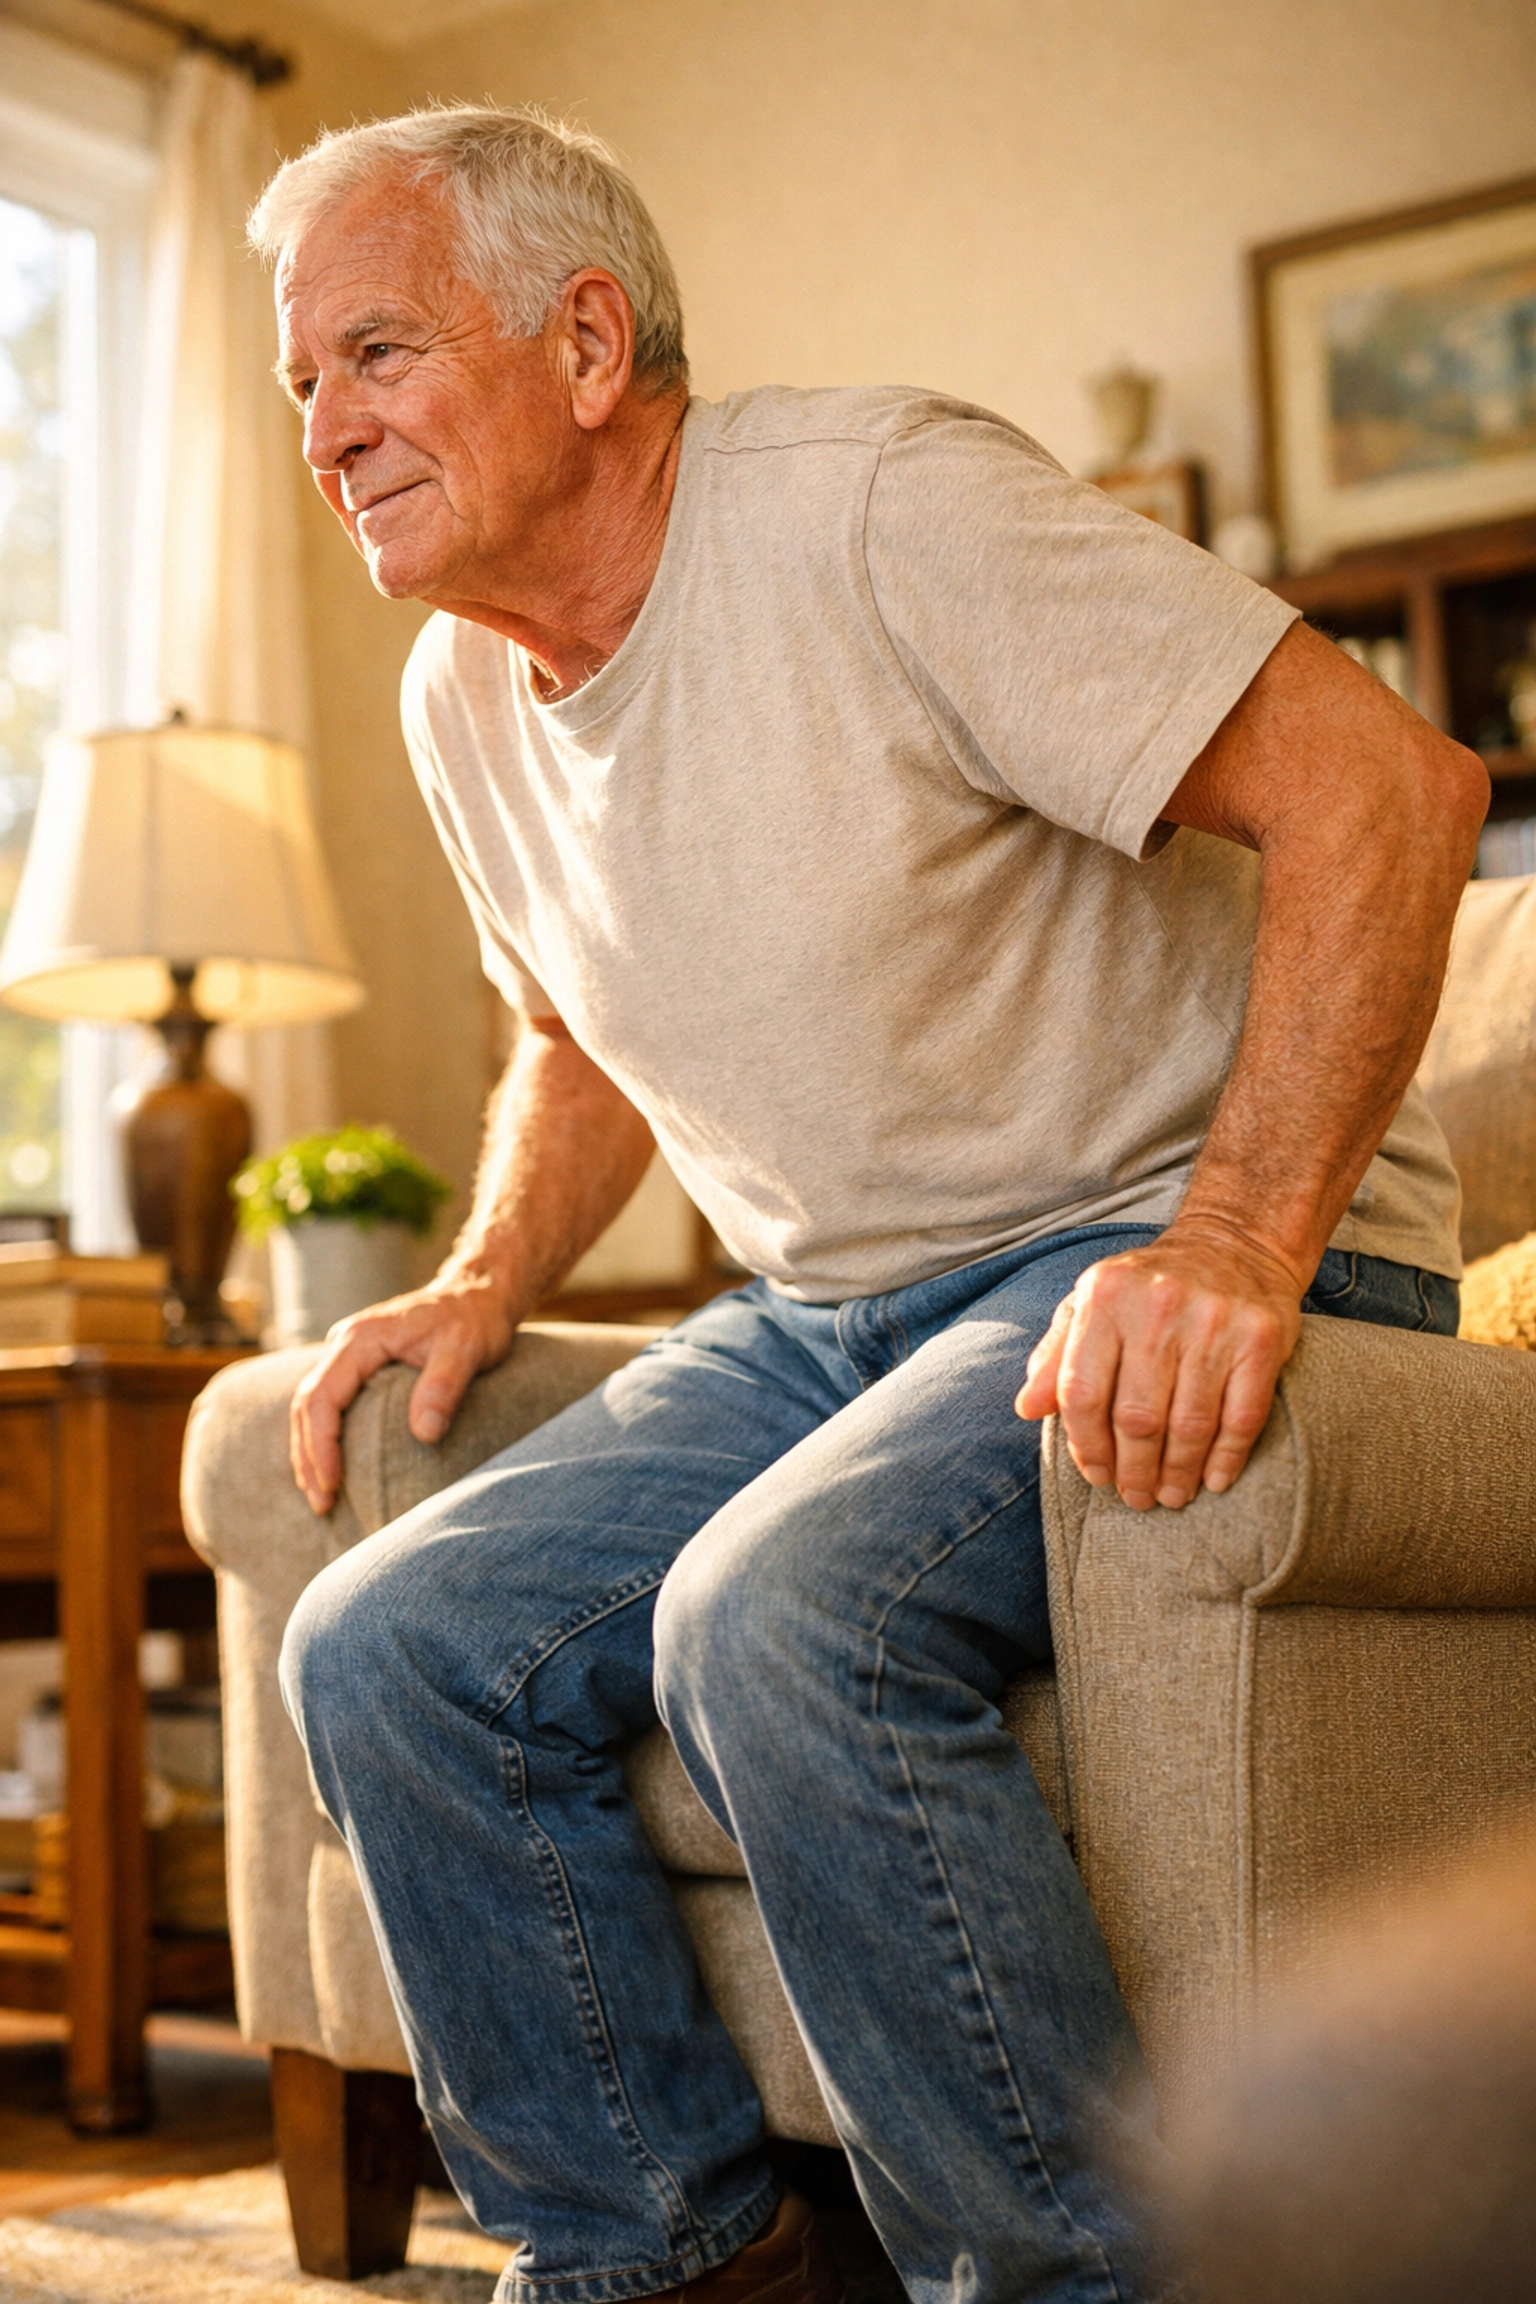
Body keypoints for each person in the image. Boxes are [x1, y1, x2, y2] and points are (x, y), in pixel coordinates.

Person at [250, 105, 1486, 2304]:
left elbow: (1389, 787)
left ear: (588, 344)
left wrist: (1232, 1241)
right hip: (827, 1314)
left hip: (1160, 1231)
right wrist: (483, 1274)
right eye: (298, 384)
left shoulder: (879, 509)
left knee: (776, 1615)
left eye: (375, 355)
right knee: (386, 1644)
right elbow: (574, 1038)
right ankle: (664, 2265)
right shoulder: (462, 695)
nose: (325, 432)